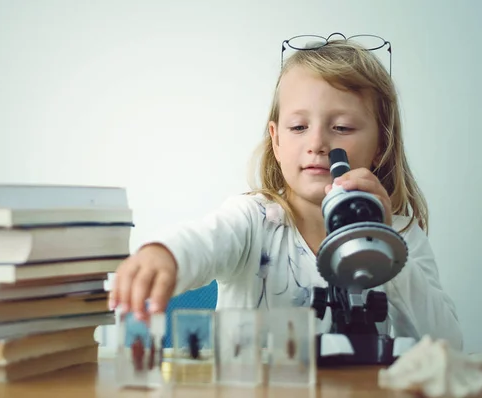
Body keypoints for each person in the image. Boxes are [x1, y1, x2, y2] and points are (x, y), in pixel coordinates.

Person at [109, 37, 463, 351]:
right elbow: (202, 241)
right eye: (298, 127)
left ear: (381, 142)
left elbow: (448, 344)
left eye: (341, 127)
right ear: (276, 140)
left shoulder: (402, 236)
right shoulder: (254, 221)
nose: (318, 143)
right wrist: (164, 254)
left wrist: (384, 247)